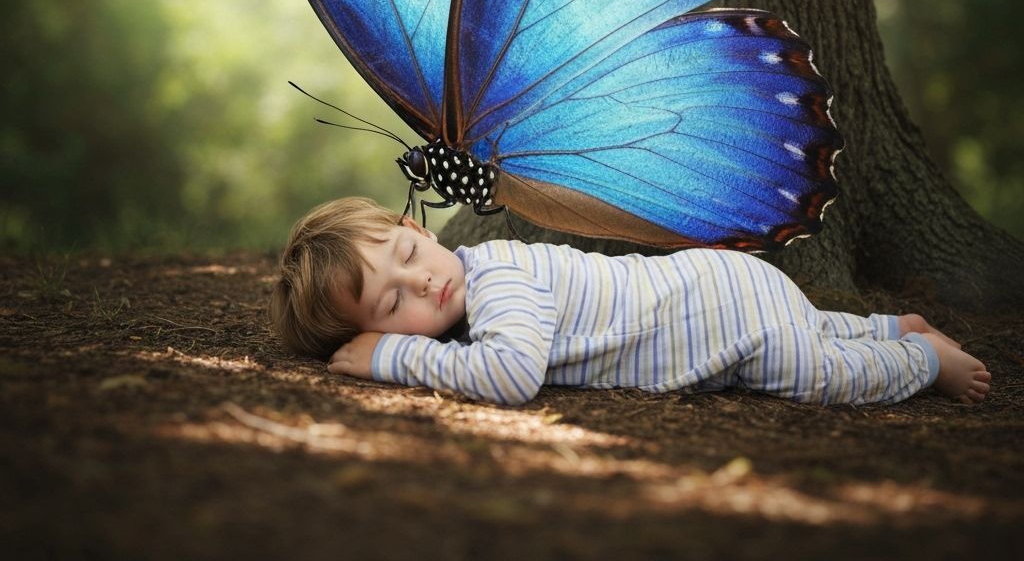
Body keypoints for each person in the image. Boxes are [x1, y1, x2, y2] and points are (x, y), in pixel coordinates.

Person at [270, 197, 991, 408]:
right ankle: (885, 326)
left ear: (416, 228)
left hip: (726, 319)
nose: (424, 283)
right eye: (395, 306)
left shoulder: (497, 281)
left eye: (409, 259)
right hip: (729, 289)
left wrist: (392, 351)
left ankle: (918, 358)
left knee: (815, 374)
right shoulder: (488, 286)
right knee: (812, 330)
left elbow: (513, 375)